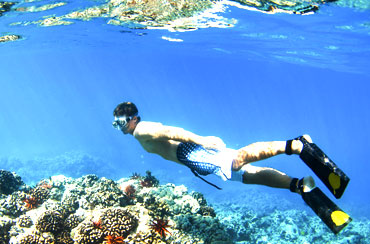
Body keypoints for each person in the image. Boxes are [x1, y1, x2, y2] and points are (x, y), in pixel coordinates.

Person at [112, 101, 351, 233]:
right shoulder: (139, 133)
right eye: (116, 124)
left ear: (134, 118)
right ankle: (298, 185)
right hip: (194, 159)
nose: (120, 127)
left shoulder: (141, 130)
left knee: (238, 159)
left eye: (122, 122)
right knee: (247, 175)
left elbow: (172, 132)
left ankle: (296, 145)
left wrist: (201, 141)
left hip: (194, 153)